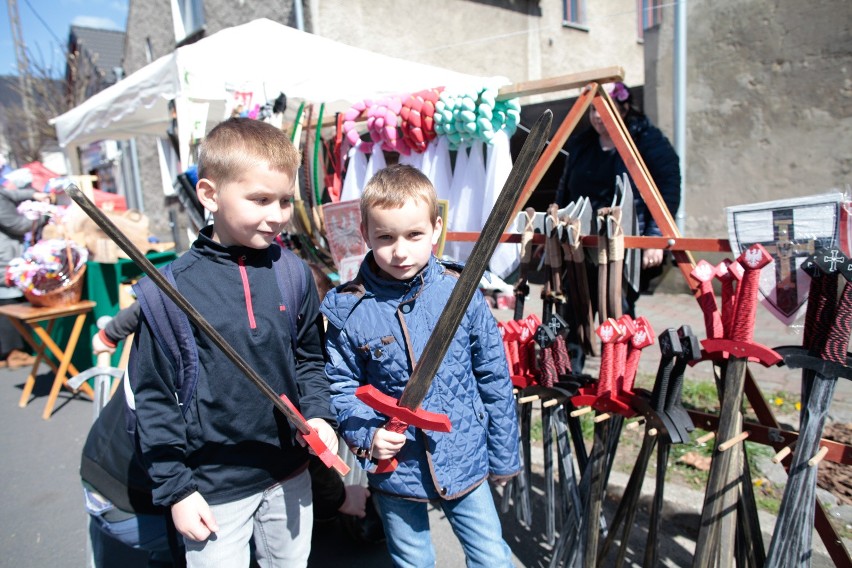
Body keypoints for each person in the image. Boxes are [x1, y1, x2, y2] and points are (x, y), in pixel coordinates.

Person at [128, 117, 337, 567]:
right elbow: (154, 397)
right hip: (211, 485)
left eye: (284, 200)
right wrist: (177, 489)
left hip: (289, 473)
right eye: (260, 199)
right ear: (209, 194)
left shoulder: (293, 272)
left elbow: (309, 358)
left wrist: (320, 414)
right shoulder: (170, 292)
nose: (277, 215)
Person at [321, 164, 520, 567]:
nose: (400, 250)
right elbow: (340, 389)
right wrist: (367, 438)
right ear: (365, 235)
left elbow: (494, 378)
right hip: (396, 467)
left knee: (491, 558)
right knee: (411, 560)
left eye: (414, 235)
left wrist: (503, 456)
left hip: (463, 455)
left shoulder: (460, 290)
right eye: (385, 237)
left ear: (436, 228)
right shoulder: (348, 310)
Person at [555, 82, 681, 368]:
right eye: (594, 111)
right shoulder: (583, 143)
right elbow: (565, 188)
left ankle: (618, 378)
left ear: (623, 108)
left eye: (606, 110)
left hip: (624, 243)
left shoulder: (647, 140)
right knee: (572, 310)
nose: (598, 117)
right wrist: (557, 229)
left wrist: (655, 236)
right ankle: (569, 379)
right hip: (579, 241)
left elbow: (667, 186)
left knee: (618, 311)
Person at [0, 184, 51, 368]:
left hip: (6, 254)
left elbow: (11, 194)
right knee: (8, 303)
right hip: (3, 257)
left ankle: (11, 352)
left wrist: (34, 194)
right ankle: (14, 353)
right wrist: (46, 214)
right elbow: (18, 225)